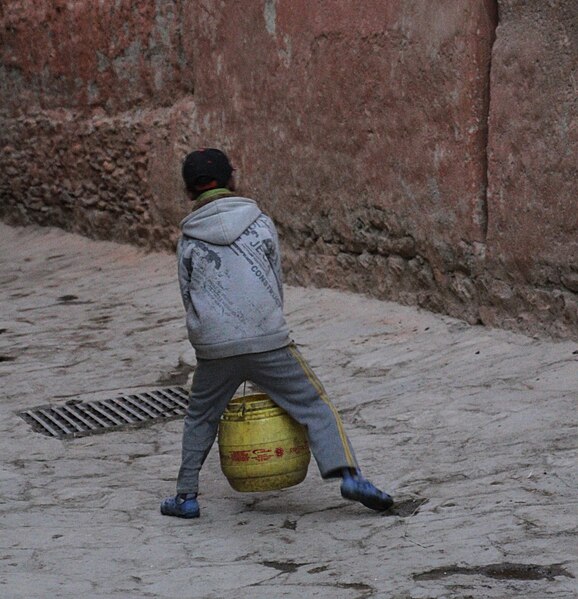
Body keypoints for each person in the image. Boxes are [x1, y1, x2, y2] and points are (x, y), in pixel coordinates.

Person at [160, 148, 394, 518]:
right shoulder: (260, 222)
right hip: (268, 339)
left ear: (189, 192)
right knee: (315, 406)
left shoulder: (188, 238)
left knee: (200, 417)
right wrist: (264, 323)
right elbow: (275, 281)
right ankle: (349, 476)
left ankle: (186, 497)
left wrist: (209, 334)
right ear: (233, 179)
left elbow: (188, 296)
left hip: (214, 348)